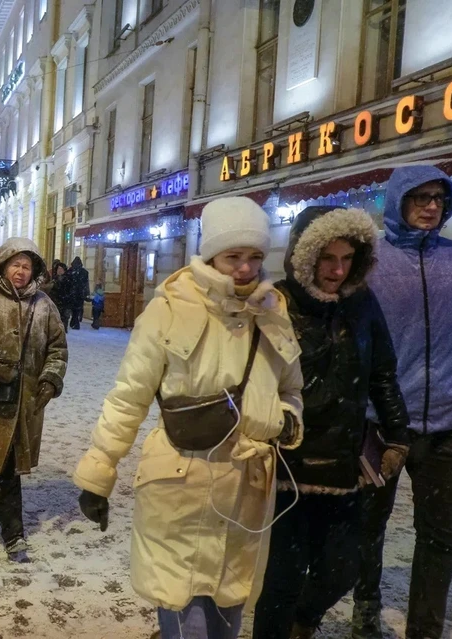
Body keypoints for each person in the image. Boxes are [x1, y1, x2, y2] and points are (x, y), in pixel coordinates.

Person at [73, 196, 304, 639]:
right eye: (233, 256)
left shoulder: (274, 310)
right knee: (186, 617)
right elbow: (129, 396)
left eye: (254, 256)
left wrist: (288, 418)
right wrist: (99, 473)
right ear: (211, 253)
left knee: (227, 614)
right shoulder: (169, 309)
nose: (244, 267)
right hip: (181, 478)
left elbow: (291, 387)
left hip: (249, 484)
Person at [352, 166, 452, 639]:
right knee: (366, 529)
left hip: (449, 428)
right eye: (419, 197)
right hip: (380, 425)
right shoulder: (370, 261)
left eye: (438, 197)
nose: (430, 205)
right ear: (398, 201)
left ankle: (425, 629)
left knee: (439, 537)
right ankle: (365, 611)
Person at [251, 206, 410, 639]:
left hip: (343, 462)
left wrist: (398, 435)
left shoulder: (362, 304)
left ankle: (304, 619)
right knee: (281, 578)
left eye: (346, 259)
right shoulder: (276, 302)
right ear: (305, 256)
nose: (338, 270)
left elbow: (382, 372)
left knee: (342, 568)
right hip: (288, 464)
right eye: (327, 258)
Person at [0, 237, 68, 558]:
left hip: (29, 397)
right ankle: (13, 530)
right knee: (5, 460)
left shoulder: (44, 305)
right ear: (4, 265)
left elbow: (57, 347)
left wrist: (50, 378)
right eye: (15, 264)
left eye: (27, 266)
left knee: (7, 457)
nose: (21, 271)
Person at [44, 261, 73, 331]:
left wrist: (67, 299)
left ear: (64, 270)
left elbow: (70, 292)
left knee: (64, 319)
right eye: (58, 269)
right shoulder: (54, 279)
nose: (59, 270)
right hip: (55, 302)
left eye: (61, 269)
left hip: (64, 302)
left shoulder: (68, 280)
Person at [67, 256, 91, 329]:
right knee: (77, 309)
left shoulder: (70, 271)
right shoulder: (84, 272)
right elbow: (86, 284)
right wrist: (86, 293)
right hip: (79, 293)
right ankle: (75, 322)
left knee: (73, 309)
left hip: (73, 293)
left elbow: (68, 282)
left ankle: (74, 322)